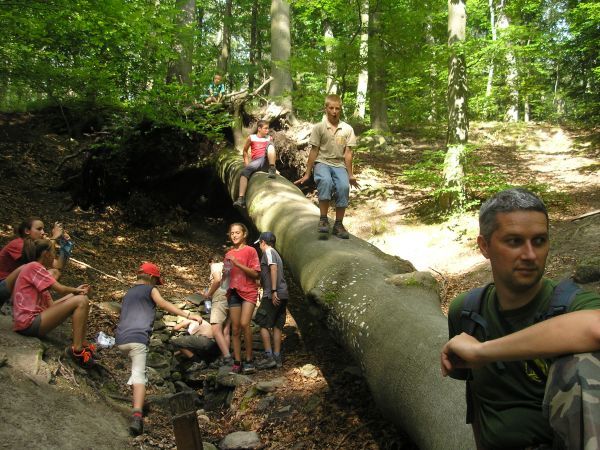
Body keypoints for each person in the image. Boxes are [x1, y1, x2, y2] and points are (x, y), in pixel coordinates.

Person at [441, 188, 600, 449]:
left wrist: (483, 352)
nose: (529, 255)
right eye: (514, 241)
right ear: (484, 246)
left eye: (539, 241)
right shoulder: (468, 312)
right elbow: (480, 404)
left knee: (581, 363)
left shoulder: (572, 305)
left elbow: (595, 326)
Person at [115, 262, 203, 436]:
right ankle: (137, 416)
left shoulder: (129, 292)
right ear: (152, 278)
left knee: (135, 371)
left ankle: (138, 400)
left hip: (121, 340)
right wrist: (189, 315)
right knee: (139, 375)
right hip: (138, 338)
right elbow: (163, 304)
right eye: (156, 282)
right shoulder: (150, 290)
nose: (156, 285)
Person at [11, 239, 94, 367]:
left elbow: (52, 306)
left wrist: (76, 292)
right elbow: (60, 289)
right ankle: (77, 350)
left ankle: (82, 344)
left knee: (82, 298)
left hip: (32, 322)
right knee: (82, 300)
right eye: (54, 253)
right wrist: (77, 291)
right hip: (28, 324)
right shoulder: (34, 267)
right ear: (46, 254)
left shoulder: (37, 272)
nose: (55, 258)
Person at [294, 94, 359, 239]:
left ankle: (338, 224)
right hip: (322, 162)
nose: (334, 111)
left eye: (337, 108)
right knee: (326, 182)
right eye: (331, 108)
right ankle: (323, 220)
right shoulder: (319, 128)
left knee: (343, 187)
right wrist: (307, 173)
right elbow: (314, 151)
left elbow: (348, 153)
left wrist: (351, 175)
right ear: (326, 108)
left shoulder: (347, 129)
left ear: (340, 109)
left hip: (339, 164)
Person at [224, 223, 260, 374]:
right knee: (236, 328)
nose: (234, 235)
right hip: (234, 293)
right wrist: (225, 272)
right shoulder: (228, 254)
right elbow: (226, 276)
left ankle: (249, 359)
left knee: (245, 324)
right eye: (232, 233)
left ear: (244, 234)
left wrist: (237, 263)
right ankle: (238, 362)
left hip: (249, 291)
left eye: (237, 232)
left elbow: (255, 274)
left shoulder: (250, 251)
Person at [254, 232, 288, 370]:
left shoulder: (268, 252)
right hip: (284, 293)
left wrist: (273, 291)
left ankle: (269, 357)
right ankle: (277, 356)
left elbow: (273, 268)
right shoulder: (277, 253)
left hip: (273, 294)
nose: (260, 247)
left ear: (263, 242)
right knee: (277, 325)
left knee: (262, 322)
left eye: (260, 244)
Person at [232, 120, 277, 208]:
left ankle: (272, 168)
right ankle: (241, 199)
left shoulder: (269, 138)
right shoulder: (251, 138)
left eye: (268, 128)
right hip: (256, 162)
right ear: (259, 128)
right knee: (244, 173)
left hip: (266, 161)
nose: (267, 130)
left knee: (270, 145)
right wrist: (246, 164)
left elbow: (273, 153)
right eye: (265, 128)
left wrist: (275, 166)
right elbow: (245, 151)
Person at [201, 253, 233, 367]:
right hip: (231, 297)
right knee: (226, 329)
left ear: (211, 261)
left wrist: (208, 294)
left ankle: (227, 358)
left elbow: (217, 279)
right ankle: (223, 357)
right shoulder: (228, 265)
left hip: (219, 298)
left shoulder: (215, 265)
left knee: (215, 329)